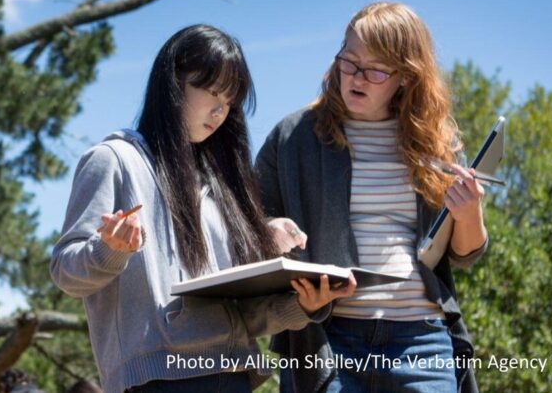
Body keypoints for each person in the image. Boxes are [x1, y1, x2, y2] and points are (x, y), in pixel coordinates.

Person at [50, 24, 355, 393]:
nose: (219, 111)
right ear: (173, 82)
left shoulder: (221, 186)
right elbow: (66, 272)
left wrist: (303, 306)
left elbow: (235, 314)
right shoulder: (114, 160)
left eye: (229, 102)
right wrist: (109, 251)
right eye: (211, 92)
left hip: (235, 375)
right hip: (156, 378)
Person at [257, 1, 489, 393]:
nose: (356, 77)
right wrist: (270, 231)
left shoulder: (436, 144)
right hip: (327, 339)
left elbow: (466, 255)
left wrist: (469, 212)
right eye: (349, 62)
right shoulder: (293, 137)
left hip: (421, 342)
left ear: (406, 77)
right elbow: (246, 225)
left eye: (376, 69)